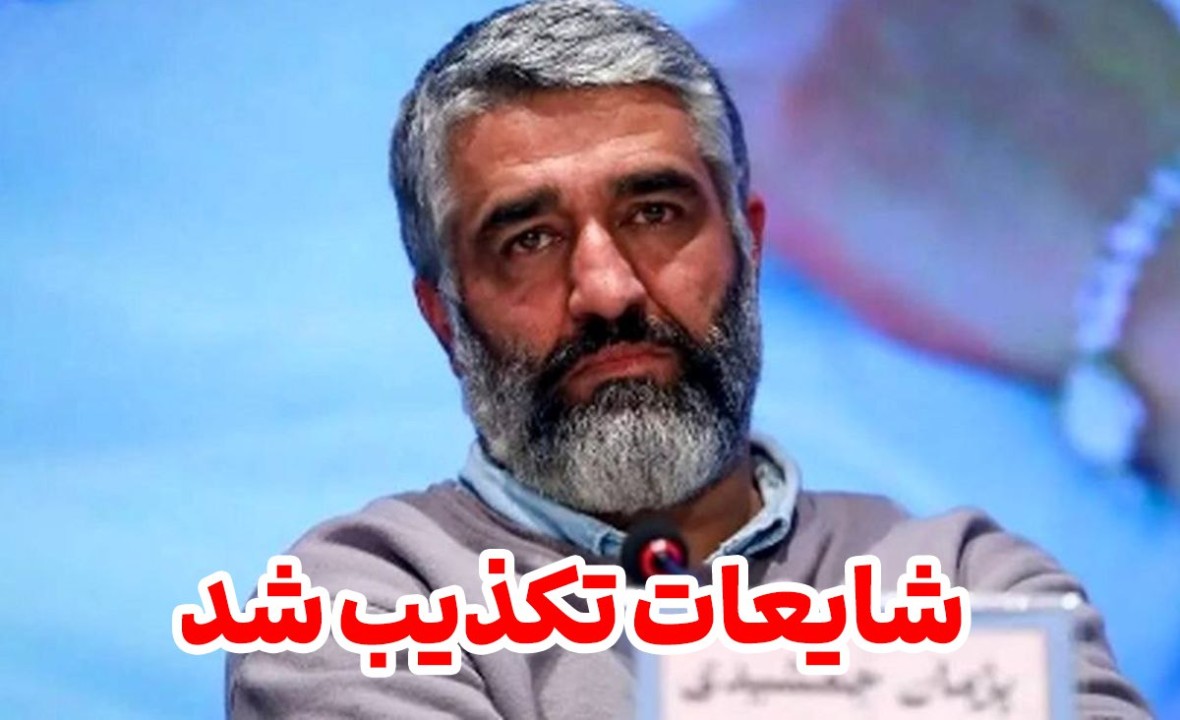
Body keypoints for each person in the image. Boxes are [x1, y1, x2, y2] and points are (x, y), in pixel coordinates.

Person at [225, 1, 1150, 717]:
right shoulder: (367, 603)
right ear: (444, 320)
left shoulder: (960, 578)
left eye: (655, 213)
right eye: (528, 239)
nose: (607, 288)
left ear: (749, 248)